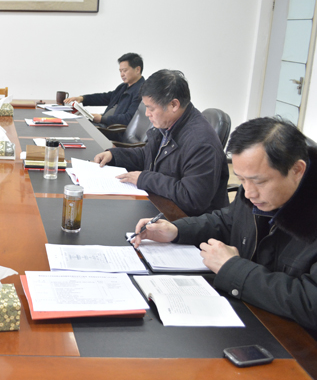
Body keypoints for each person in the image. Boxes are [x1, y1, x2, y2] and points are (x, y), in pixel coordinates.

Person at [131, 117, 317, 331]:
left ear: (297, 170)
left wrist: (233, 268)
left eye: (259, 181)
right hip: (255, 315)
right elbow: (227, 220)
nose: (249, 192)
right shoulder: (255, 193)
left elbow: (311, 304)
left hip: (295, 341)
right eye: (241, 179)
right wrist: (177, 230)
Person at [94, 70, 228, 216]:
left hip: (184, 219)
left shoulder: (201, 142)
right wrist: (114, 156)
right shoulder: (168, 124)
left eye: (151, 108)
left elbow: (191, 198)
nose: (147, 114)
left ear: (174, 105)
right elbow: (148, 155)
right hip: (161, 204)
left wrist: (145, 179)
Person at [64, 53, 145, 126]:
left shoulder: (142, 91)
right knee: (73, 122)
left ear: (137, 69)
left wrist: (102, 119)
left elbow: (128, 118)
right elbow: (105, 97)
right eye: (120, 71)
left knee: (76, 127)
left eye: (124, 70)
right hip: (104, 124)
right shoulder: (123, 86)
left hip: (112, 130)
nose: (122, 74)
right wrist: (82, 98)